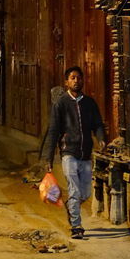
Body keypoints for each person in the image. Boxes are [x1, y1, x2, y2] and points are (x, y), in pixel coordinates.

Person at [39, 65, 106, 239]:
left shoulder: (89, 103)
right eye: (73, 78)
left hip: (85, 153)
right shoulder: (61, 104)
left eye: (79, 78)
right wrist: (48, 157)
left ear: (83, 80)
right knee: (75, 190)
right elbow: (53, 131)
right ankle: (76, 226)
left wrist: (101, 138)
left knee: (86, 193)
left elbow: (98, 124)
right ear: (66, 81)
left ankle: (71, 206)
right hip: (68, 152)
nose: (76, 81)